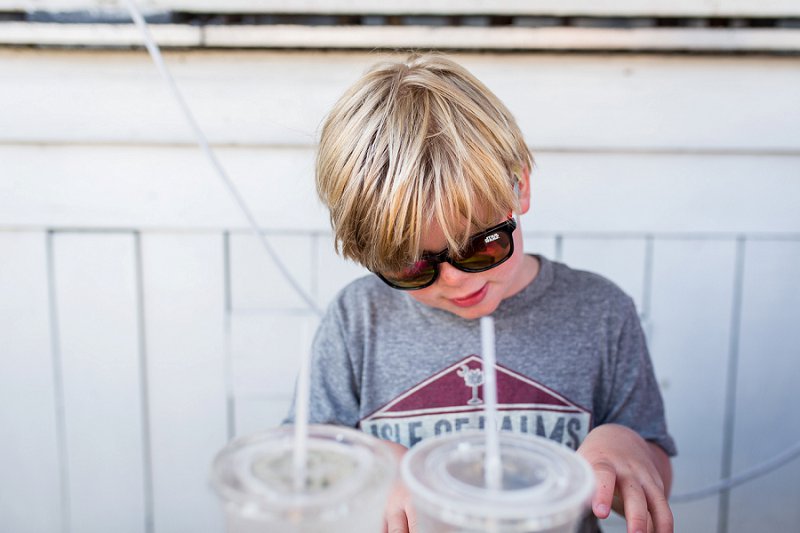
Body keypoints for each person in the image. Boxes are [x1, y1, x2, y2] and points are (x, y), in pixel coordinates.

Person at [287, 53, 676, 533]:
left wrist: (624, 445)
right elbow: (303, 461)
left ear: (519, 188)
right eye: (411, 266)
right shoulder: (357, 319)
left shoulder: (600, 312)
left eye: (479, 248)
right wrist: (367, 461)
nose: (454, 279)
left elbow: (654, 474)